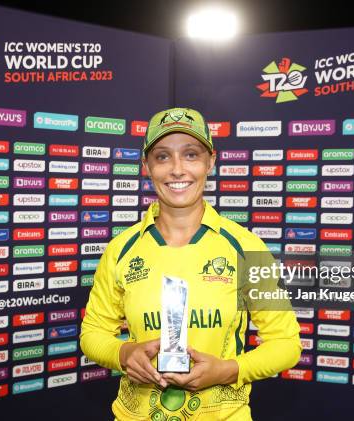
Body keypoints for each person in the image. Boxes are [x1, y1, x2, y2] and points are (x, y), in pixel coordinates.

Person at [80, 107, 302, 421]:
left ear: (211, 160)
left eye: (191, 154)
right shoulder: (121, 250)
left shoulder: (246, 247)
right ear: (146, 166)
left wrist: (228, 370)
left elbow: (286, 343)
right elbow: (93, 333)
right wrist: (123, 353)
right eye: (162, 157)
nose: (177, 169)